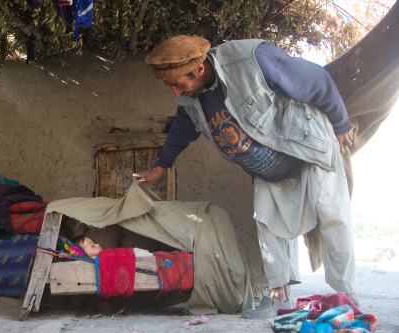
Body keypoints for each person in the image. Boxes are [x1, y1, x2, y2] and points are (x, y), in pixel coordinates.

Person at [133, 35, 358, 317]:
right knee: (267, 222)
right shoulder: (191, 101)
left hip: (305, 147)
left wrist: (340, 123)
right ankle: (279, 300)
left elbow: (316, 80)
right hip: (266, 168)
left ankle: (346, 296)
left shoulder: (253, 59)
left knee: (332, 214)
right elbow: (182, 129)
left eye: (179, 84)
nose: (176, 93)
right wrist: (161, 166)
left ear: (200, 69)